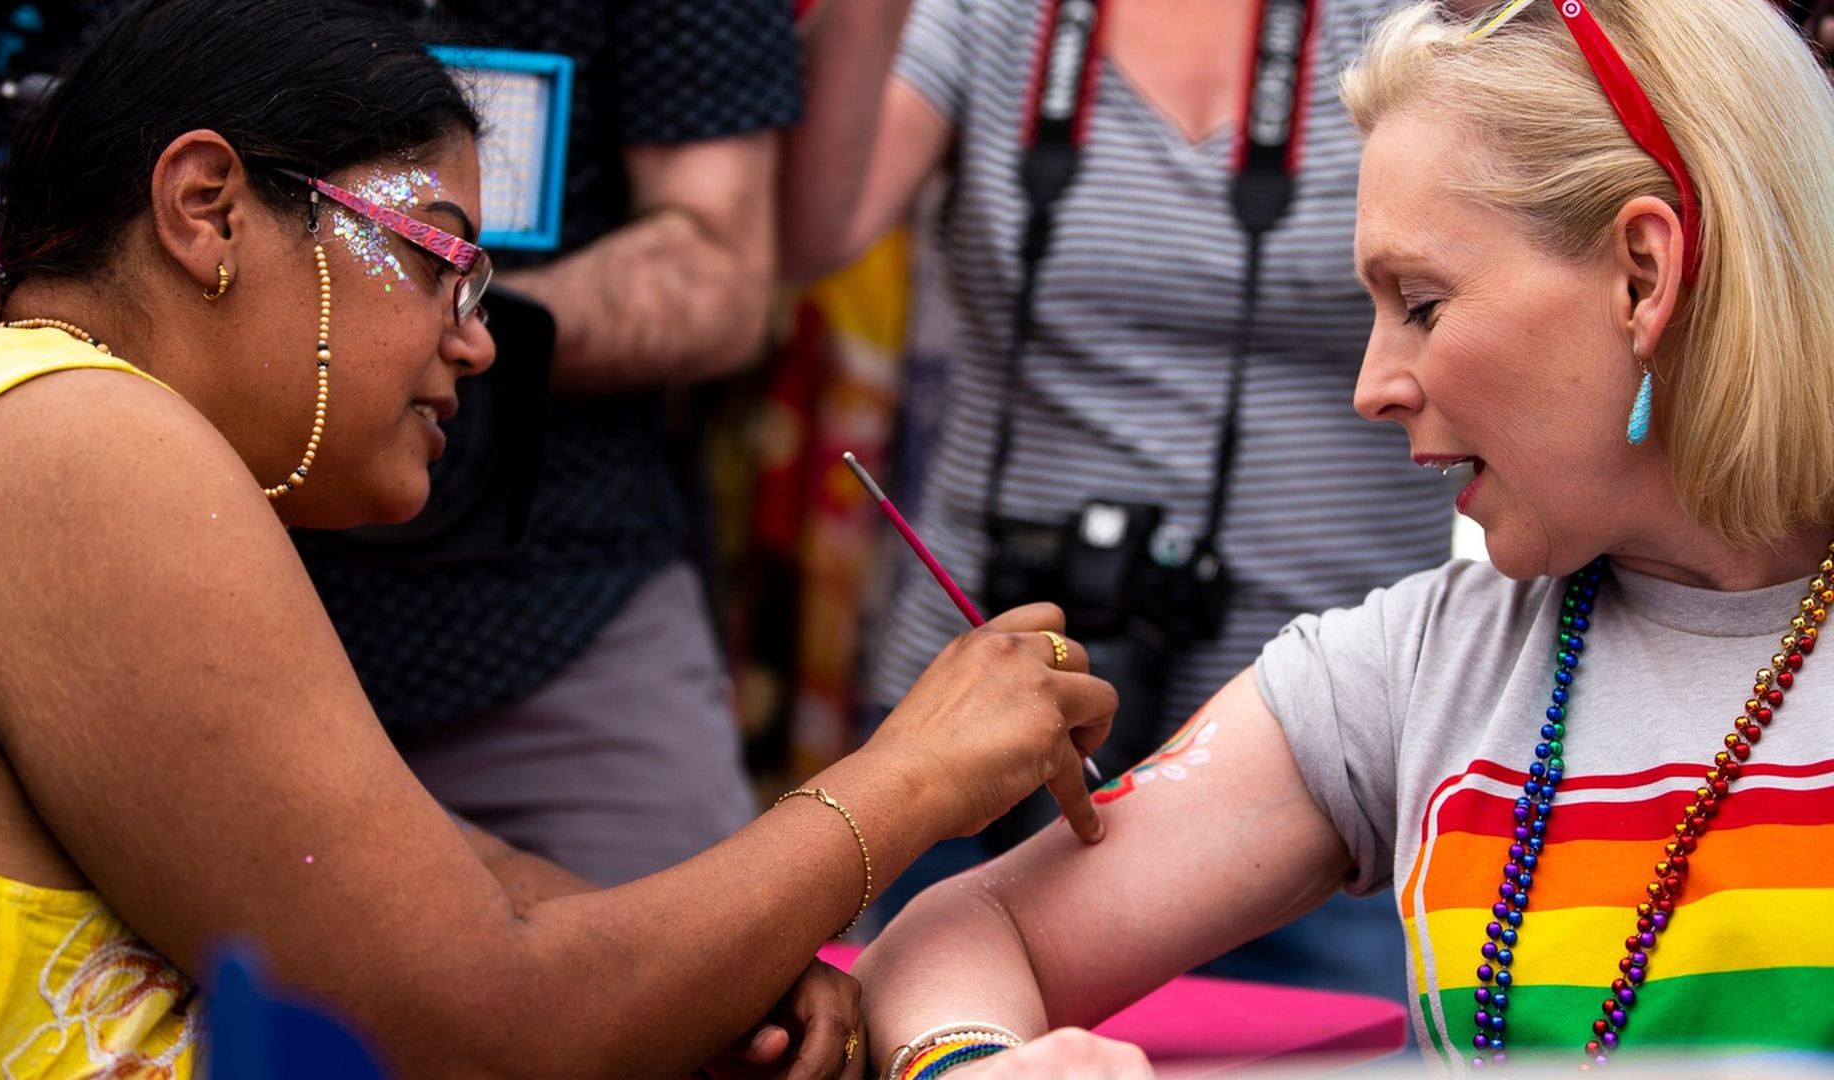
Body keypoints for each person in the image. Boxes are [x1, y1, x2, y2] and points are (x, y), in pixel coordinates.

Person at [0, 1, 1120, 1075]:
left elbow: (448, 879)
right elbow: (487, 1022)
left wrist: (706, 974)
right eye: (440, 260)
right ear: (207, 210)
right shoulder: (82, 438)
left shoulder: (15, 411)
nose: (480, 343)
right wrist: (913, 774)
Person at [849, 0, 1834, 1073]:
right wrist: (972, 1060)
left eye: (1420, 303)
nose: (1372, 388)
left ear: (1642, 276)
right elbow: (961, 932)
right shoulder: (1411, 670)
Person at [782, 0, 1450, 994]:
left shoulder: (1408, 23)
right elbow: (810, 238)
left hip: (1333, 755)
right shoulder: (990, 14)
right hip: (1001, 714)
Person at [295, 0, 803, 888]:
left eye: (468, 313)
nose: (470, 342)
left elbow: (722, 278)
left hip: (564, 593)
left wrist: (412, 329)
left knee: (708, 986)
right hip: (207, 553)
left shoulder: (466, 334)